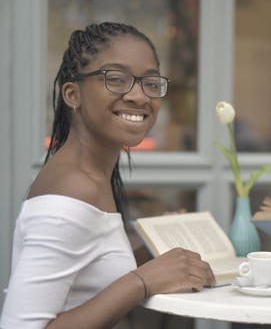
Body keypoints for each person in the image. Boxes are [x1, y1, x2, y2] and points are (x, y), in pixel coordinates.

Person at [0, 22, 215, 328]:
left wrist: (149, 248)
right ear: (73, 94)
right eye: (116, 79)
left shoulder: (91, 177)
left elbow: (86, 282)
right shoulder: (71, 189)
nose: (140, 97)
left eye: (151, 83)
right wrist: (142, 281)